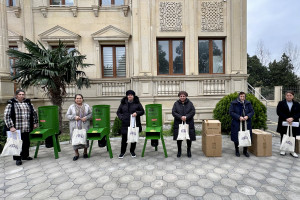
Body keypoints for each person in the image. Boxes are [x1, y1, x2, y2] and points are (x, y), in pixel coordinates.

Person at [3, 89, 38, 166]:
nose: (21, 96)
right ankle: (18, 159)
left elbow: (34, 113)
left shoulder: (28, 103)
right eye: (20, 94)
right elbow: (6, 116)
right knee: (17, 144)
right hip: (16, 129)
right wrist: (11, 126)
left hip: (26, 127)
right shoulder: (11, 104)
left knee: (26, 143)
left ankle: (25, 156)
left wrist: (35, 122)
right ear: (16, 95)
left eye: (23, 94)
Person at [117, 90, 144, 159]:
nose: (130, 96)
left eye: (131, 95)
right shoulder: (123, 103)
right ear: (127, 96)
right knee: (124, 139)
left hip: (134, 123)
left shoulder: (137, 103)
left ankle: (132, 151)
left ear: (133, 96)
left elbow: (142, 111)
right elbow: (118, 112)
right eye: (128, 95)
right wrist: (121, 117)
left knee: (133, 138)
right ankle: (122, 152)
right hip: (125, 123)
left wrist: (137, 113)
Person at [66, 94, 92, 161]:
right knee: (75, 139)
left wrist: (86, 118)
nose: (79, 99)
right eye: (77, 98)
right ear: (75, 99)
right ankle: (76, 154)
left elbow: (91, 114)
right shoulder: (71, 107)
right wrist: (74, 117)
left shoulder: (86, 106)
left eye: (80, 98)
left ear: (82, 99)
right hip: (75, 126)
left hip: (84, 125)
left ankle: (85, 152)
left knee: (85, 138)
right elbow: (67, 115)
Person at [229, 91, 254, 157]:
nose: (242, 98)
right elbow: (231, 112)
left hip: (246, 123)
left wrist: (247, 116)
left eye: (243, 96)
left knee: (246, 136)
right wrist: (238, 117)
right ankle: (237, 150)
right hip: (237, 122)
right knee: (236, 137)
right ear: (239, 96)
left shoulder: (248, 103)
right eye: (241, 96)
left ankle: (245, 151)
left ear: (245, 97)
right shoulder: (234, 103)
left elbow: (252, 111)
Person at [172, 91, 196, 158]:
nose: (182, 97)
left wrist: (186, 117)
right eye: (181, 96)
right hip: (179, 123)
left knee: (189, 137)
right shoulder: (176, 104)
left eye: (183, 96)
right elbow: (173, 112)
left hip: (188, 122)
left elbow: (193, 111)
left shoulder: (190, 103)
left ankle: (189, 150)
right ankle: (179, 151)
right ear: (179, 97)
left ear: (186, 96)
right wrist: (180, 117)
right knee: (179, 137)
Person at [276, 91, 300, 158]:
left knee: (293, 136)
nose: (289, 96)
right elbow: (279, 112)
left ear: (293, 96)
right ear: (285, 96)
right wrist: (286, 118)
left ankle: (292, 151)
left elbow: (299, 113)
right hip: (284, 122)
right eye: (287, 95)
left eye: (290, 95)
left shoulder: (297, 104)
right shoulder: (281, 103)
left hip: (293, 122)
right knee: (283, 135)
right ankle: (283, 149)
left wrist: (292, 118)